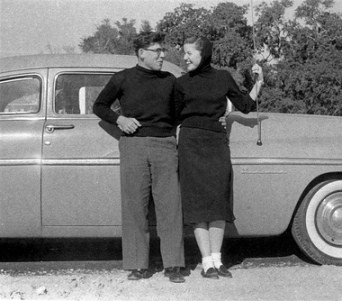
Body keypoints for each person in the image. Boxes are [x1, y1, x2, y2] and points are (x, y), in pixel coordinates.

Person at [93, 32, 186, 283]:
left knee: (170, 206)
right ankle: (137, 265)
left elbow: (178, 112)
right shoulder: (122, 78)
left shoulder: (171, 80)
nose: (162, 55)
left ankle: (174, 265)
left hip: (165, 145)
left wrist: (164, 132)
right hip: (133, 146)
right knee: (135, 206)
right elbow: (99, 106)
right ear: (141, 53)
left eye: (162, 50)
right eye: (157, 51)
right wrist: (119, 119)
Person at [175, 36, 264, 279]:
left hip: (216, 143)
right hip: (190, 144)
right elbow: (171, 117)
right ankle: (206, 262)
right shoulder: (179, 83)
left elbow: (245, 106)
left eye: (189, 53)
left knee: (218, 202)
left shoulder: (223, 78)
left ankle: (218, 260)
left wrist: (259, 82)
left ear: (203, 54)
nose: (185, 58)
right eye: (184, 53)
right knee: (197, 203)